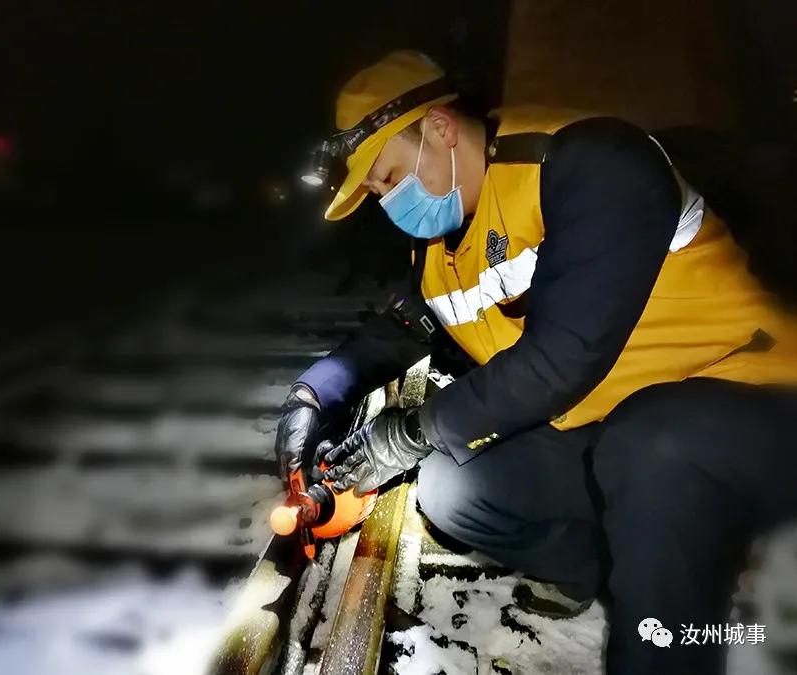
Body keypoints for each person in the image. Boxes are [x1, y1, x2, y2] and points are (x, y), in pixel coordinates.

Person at [274, 50, 797, 674]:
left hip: (751, 398)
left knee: (649, 446)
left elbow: (561, 360)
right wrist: (311, 395)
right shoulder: (441, 251)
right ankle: (640, 578)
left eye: (388, 177)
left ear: (438, 128)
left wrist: (410, 431)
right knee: (452, 490)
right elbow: (395, 332)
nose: (390, 203)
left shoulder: (588, 163)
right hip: (614, 428)